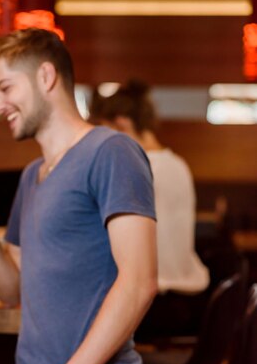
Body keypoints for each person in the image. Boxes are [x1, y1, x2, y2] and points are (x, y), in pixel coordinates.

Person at [0, 28, 158, 364]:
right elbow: (12, 290)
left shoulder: (112, 152)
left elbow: (140, 281)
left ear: (46, 77)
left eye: (5, 88)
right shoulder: (33, 175)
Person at [90, 80, 210, 339]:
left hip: (156, 307)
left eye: (104, 133)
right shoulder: (177, 163)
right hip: (188, 300)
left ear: (122, 124)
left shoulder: (137, 168)